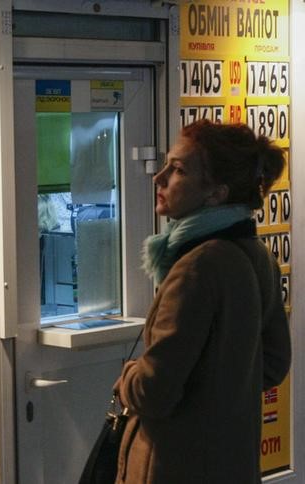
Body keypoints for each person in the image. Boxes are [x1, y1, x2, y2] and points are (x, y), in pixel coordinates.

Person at [113, 120, 291, 484]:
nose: (158, 178)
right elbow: (273, 363)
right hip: (233, 464)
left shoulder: (196, 268)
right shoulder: (257, 255)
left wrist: (129, 375)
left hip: (173, 468)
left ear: (216, 194)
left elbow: (153, 391)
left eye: (177, 170)